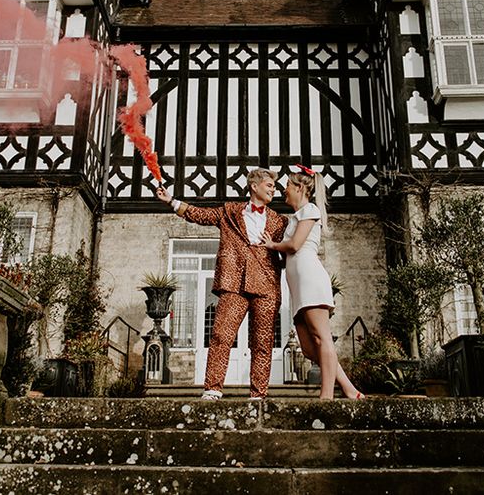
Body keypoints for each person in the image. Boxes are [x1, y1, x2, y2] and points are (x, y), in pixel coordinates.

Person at [156, 169, 287, 400]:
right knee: (220, 335)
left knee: (263, 342)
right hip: (233, 283)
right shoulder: (229, 212)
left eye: (274, 186)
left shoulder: (280, 221)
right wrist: (172, 201)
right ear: (254, 186)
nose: (273, 189)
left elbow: (290, 251)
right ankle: (213, 388)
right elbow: (200, 215)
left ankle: (258, 394)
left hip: (266, 286)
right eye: (269, 185)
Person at [260, 164, 364, 400]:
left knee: (322, 338)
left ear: (299, 187)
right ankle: (349, 388)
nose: (283, 190)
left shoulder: (310, 210)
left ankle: (326, 396)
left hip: (311, 280)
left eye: (287, 185)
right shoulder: (294, 218)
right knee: (308, 348)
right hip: (297, 287)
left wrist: (273, 245)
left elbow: (295, 246)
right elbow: (287, 256)